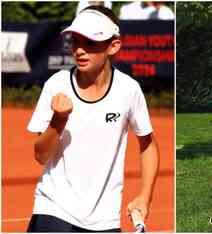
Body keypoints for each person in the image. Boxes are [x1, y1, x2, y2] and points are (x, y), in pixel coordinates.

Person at [26, 5, 159, 232]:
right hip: (54, 207)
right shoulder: (56, 85)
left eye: (90, 43)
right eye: (76, 41)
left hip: (105, 220)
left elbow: (148, 145)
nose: (79, 50)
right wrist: (58, 121)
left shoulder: (129, 90)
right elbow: (40, 155)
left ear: (113, 46)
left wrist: (145, 197)